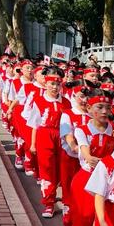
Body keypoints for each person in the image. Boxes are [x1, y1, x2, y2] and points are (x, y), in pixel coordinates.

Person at [71, 90, 114, 226]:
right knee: (83, 221)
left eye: (108, 107)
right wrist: (89, 156)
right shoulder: (82, 129)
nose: (105, 111)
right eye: (100, 107)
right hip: (85, 179)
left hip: (108, 181)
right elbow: (83, 148)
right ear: (89, 108)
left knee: (106, 222)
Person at [26, 67, 72, 218]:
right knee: (47, 170)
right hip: (44, 135)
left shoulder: (66, 102)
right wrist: (33, 144)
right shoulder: (38, 101)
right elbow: (34, 124)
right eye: (51, 83)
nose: (54, 87)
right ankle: (48, 203)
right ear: (46, 83)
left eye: (58, 84)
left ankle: (65, 200)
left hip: (63, 137)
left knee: (62, 170)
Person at [59, 83, 90, 226]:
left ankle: (83, 223)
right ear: (75, 97)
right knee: (69, 190)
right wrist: (77, 148)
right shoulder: (68, 114)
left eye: (87, 97)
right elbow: (68, 135)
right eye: (81, 97)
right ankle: (68, 223)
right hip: (71, 158)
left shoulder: (94, 115)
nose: (84, 100)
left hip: (89, 163)